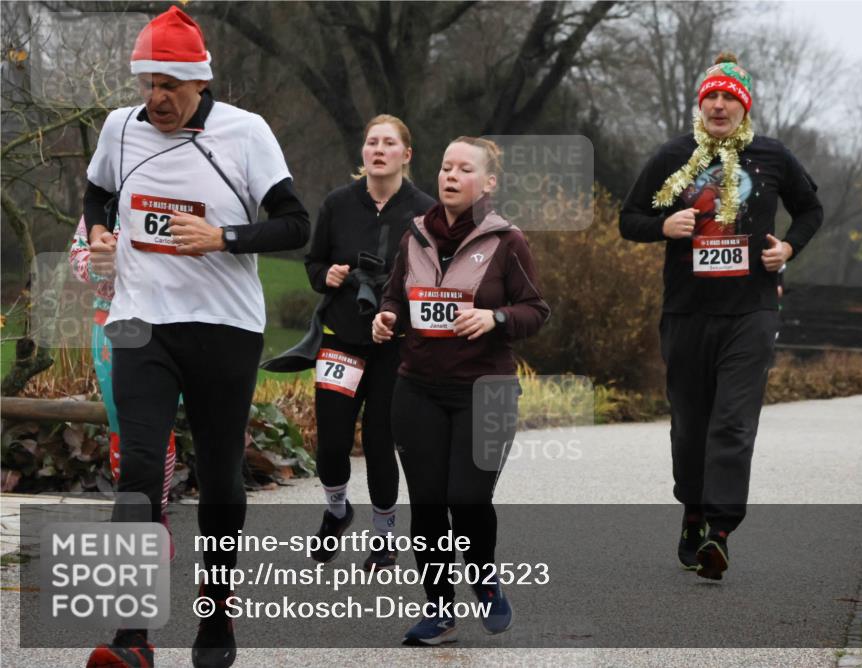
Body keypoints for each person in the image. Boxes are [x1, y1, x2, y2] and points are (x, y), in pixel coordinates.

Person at [82, 7, 309, 668]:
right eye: (146, 84)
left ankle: (216, 623)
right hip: (140, 321)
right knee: (140, 474)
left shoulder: (245, 133)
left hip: (224, 330)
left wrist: (223, 237)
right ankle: (132, 640)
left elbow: (296, 225)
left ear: (199, 83)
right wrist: (101, 233)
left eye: (169, 87)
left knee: (219, 479)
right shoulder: (121, 129)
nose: (155, 100)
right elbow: (97, 192)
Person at [619, 52, 823, 581]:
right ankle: (693, 511)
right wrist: (663, 227)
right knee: (691, 426)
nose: (718, 104)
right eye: (710, 95)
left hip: (751, 310)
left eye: (729, 97)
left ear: (744, 106)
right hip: (686, 310)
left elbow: (811, 209)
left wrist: (790, 250)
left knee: (733, 422)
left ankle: (720, 530)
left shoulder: (771, 156)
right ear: (700, 103)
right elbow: (629, 218)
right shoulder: (673, 155)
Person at [373, 136, 549, 645]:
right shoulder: (414, 236)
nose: (449, 175)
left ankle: (486, 580)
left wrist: (494, 316)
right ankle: (440, 610)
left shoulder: (506, 241)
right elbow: (394, 296)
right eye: (445, 166)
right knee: (427, 504)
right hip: (418, 388)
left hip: (485, 390)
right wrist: (387, 318)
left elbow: (536, 309)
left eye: (463, 169)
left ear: (488, 183)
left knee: (467, 499)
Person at [262, 115, 435, 569]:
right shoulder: (339, 204)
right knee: (333, 443)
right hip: (340, 337)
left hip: (395, 345)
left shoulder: (425, 211)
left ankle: (383, 535)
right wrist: (330, 274)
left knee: (380, 442)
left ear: (405, 155)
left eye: (388, 143)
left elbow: (436, 279)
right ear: (363, 153)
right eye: (371, 142)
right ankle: (337, 510)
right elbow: (314, 263)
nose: (378, 150)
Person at [69, 217, 177, 561]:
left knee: (160, 424)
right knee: (122, 427)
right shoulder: (104, 203)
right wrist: (103, 265)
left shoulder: (171, 188)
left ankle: (156, 516)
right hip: (112, 323)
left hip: (169, 321)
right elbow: (77, 256)